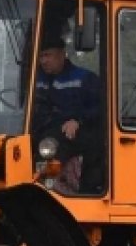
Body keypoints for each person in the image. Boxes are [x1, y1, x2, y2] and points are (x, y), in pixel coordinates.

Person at [30, 37, 103, 193]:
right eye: (41, 56)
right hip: (41, 129)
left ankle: (45, 186)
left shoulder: (84, 79)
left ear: (62, 55)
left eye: (48, 55)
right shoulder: (34, 80)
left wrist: (78, 120)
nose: (43, 61)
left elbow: (99, 108)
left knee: (51, 146)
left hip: (73, 130)